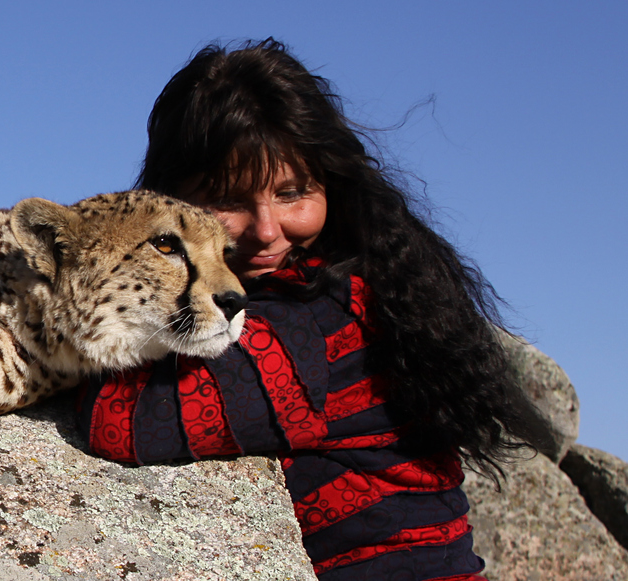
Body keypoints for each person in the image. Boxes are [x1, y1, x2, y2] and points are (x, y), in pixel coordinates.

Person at [78, 39, 540, 580]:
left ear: (331, 183)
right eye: (228, 200)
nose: (268, 230)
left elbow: (122, 418)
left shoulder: (322, 321)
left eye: (293, 192)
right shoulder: (355, 282)